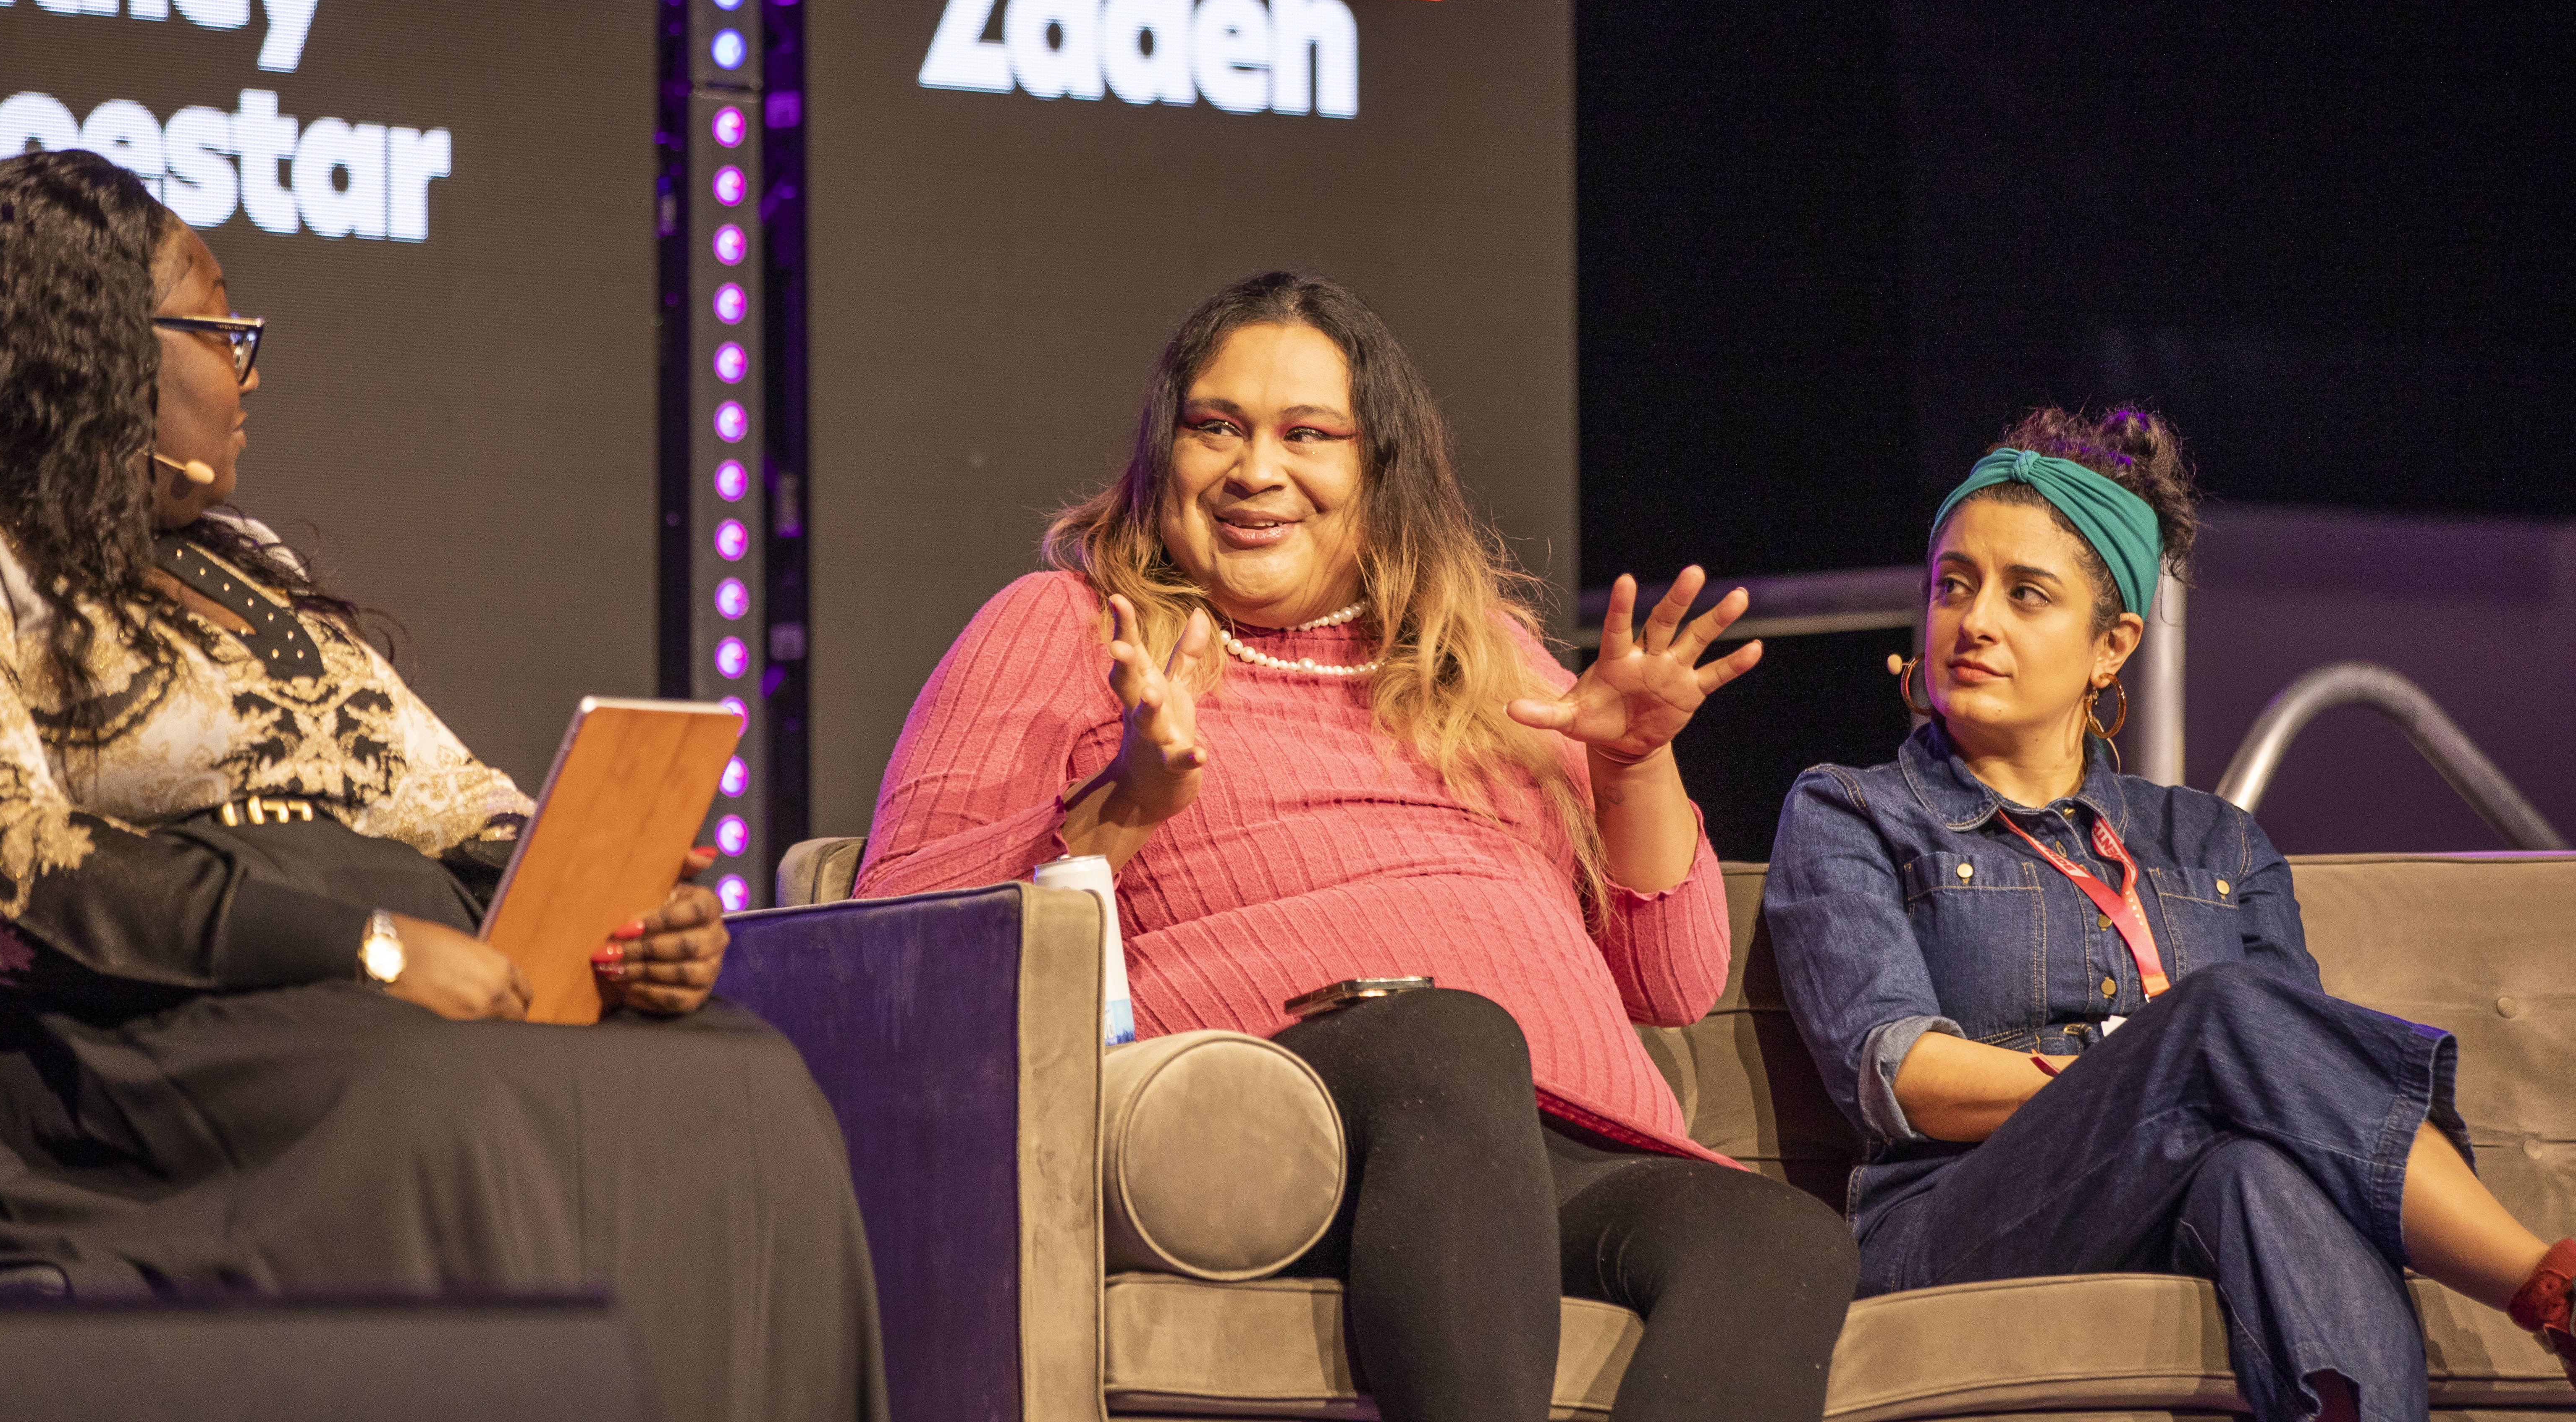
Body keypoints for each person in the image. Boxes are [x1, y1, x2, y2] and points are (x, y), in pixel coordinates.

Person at [0, 152, 887, 1422]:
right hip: (125, 1037)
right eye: (220, 329)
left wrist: (622, 913)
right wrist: (364, 948)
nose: (251, 374)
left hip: (376, 975)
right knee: (447, 1106)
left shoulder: (242, 561)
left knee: (746, 1080)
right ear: (90, 352)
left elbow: (447, 797)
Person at [856, 270, 1859, 1422]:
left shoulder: (1480, 655)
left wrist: (1632, 767)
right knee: (1445, 1037)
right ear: (1160, 452)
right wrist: (1122, 807)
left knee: (1781, 1240)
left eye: (1308, 434)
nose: (1255, 470)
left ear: (1381, 474)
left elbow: (1671, 982)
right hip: (1272, 1121)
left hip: (1543, 1134)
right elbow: (904, 942)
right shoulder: (1067, 624)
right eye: (1216, 427)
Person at [1764, 404, 2576, 1422]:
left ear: (2112, 646)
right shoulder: (1852, 808)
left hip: (2187, 1185)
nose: (1975, 621)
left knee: (2257, 1166)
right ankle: (2550, 1286)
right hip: (1952, 1217)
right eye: (1953, 585)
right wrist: (2140, 1081)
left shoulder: (2220, 844)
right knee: (2217, 1023)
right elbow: (1900, 1072)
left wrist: (2188, 1091)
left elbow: (2301, 1079)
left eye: (2027, 595)